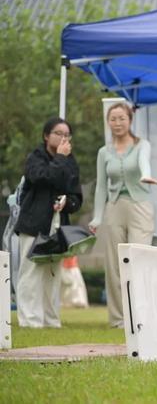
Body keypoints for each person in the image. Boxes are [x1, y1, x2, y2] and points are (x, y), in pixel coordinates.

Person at [88, 102, 157, 328]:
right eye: (113, 119)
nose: (117, 123)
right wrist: (98, 217)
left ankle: (141, 317)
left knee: (139, 259)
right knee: (115, 264)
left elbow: (143, 162)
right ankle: (118, 319)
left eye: (122, 118)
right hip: (114, 207)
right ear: (108, 122)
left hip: (139, 206)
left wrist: (146, 175)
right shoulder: (103, 151)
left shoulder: (142, 145)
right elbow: (101, 186)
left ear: (130, 120)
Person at [14, 117, 83, 328]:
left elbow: (76, 196)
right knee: (31, 272)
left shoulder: (70, 161)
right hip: (33, 224)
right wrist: (61, 158)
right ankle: (30, 321)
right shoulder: (36, 158)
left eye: (67, 135)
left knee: (53, 273)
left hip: (57, 225)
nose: (63, 138)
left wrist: (67, 202)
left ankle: (51, 320)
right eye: (58, 133)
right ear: (46, 136)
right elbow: (43, 178)